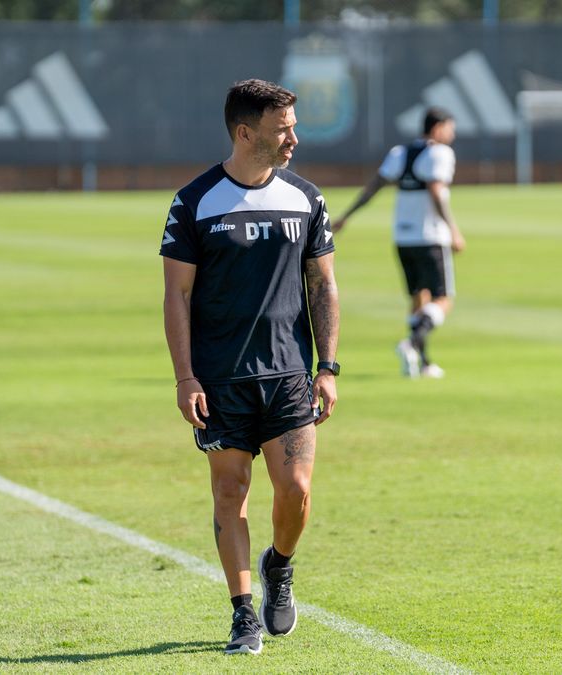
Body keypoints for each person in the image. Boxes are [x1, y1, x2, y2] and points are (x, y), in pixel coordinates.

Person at [160, 79, 340, 656]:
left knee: (297, 490)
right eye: (281, 129)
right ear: (244, 132)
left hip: (288, 374)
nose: (294, 138)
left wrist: (328, 366)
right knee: (230, 490)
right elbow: (176, 295)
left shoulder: (306, 199)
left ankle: (278, 565)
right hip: (221, 379)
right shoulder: (194, 202)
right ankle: (242, 614)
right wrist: (186, 377)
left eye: (293, 127)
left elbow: (323, 285)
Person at [333, 107, 464, 379]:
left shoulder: (399, 153)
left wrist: (347, 216)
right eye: (450, 128)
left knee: (418, 298)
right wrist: (453, 229)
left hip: (403, 238)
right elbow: (436, 191)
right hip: (431, 236)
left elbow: (374, 187)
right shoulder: (440, 153)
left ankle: (422, 363)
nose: (452, 134)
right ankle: (412, 343)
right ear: (437, 128)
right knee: (442, 299)